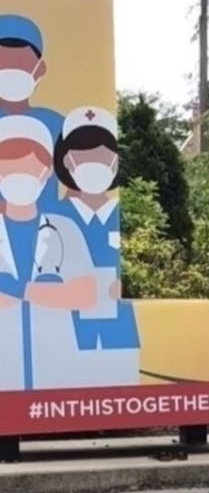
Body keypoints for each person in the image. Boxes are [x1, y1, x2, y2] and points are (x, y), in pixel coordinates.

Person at [0, 115, 96, 391]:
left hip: (54, 360)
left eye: (30, 167)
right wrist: (48, 293)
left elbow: (85, 294)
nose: (20, 176)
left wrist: (19, 290)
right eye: (9, 168)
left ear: (47, 172)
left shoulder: (64, 230)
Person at [54, 106, 140, 361]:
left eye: (103, 158)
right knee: (71, 372)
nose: (94, 165)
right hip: (67, 314)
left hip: (118, 310)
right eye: (83, 157)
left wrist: (129, 285)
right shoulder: (55, 216)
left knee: (122, 373)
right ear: (68, 161)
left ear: (115, 163)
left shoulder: (123, 214)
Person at [0, 14, 64, 213]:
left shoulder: (58, 125)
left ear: (40, 69)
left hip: (49, 231)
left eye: (20, 64)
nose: (10, 70)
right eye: (3, 64)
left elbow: (77, 188)